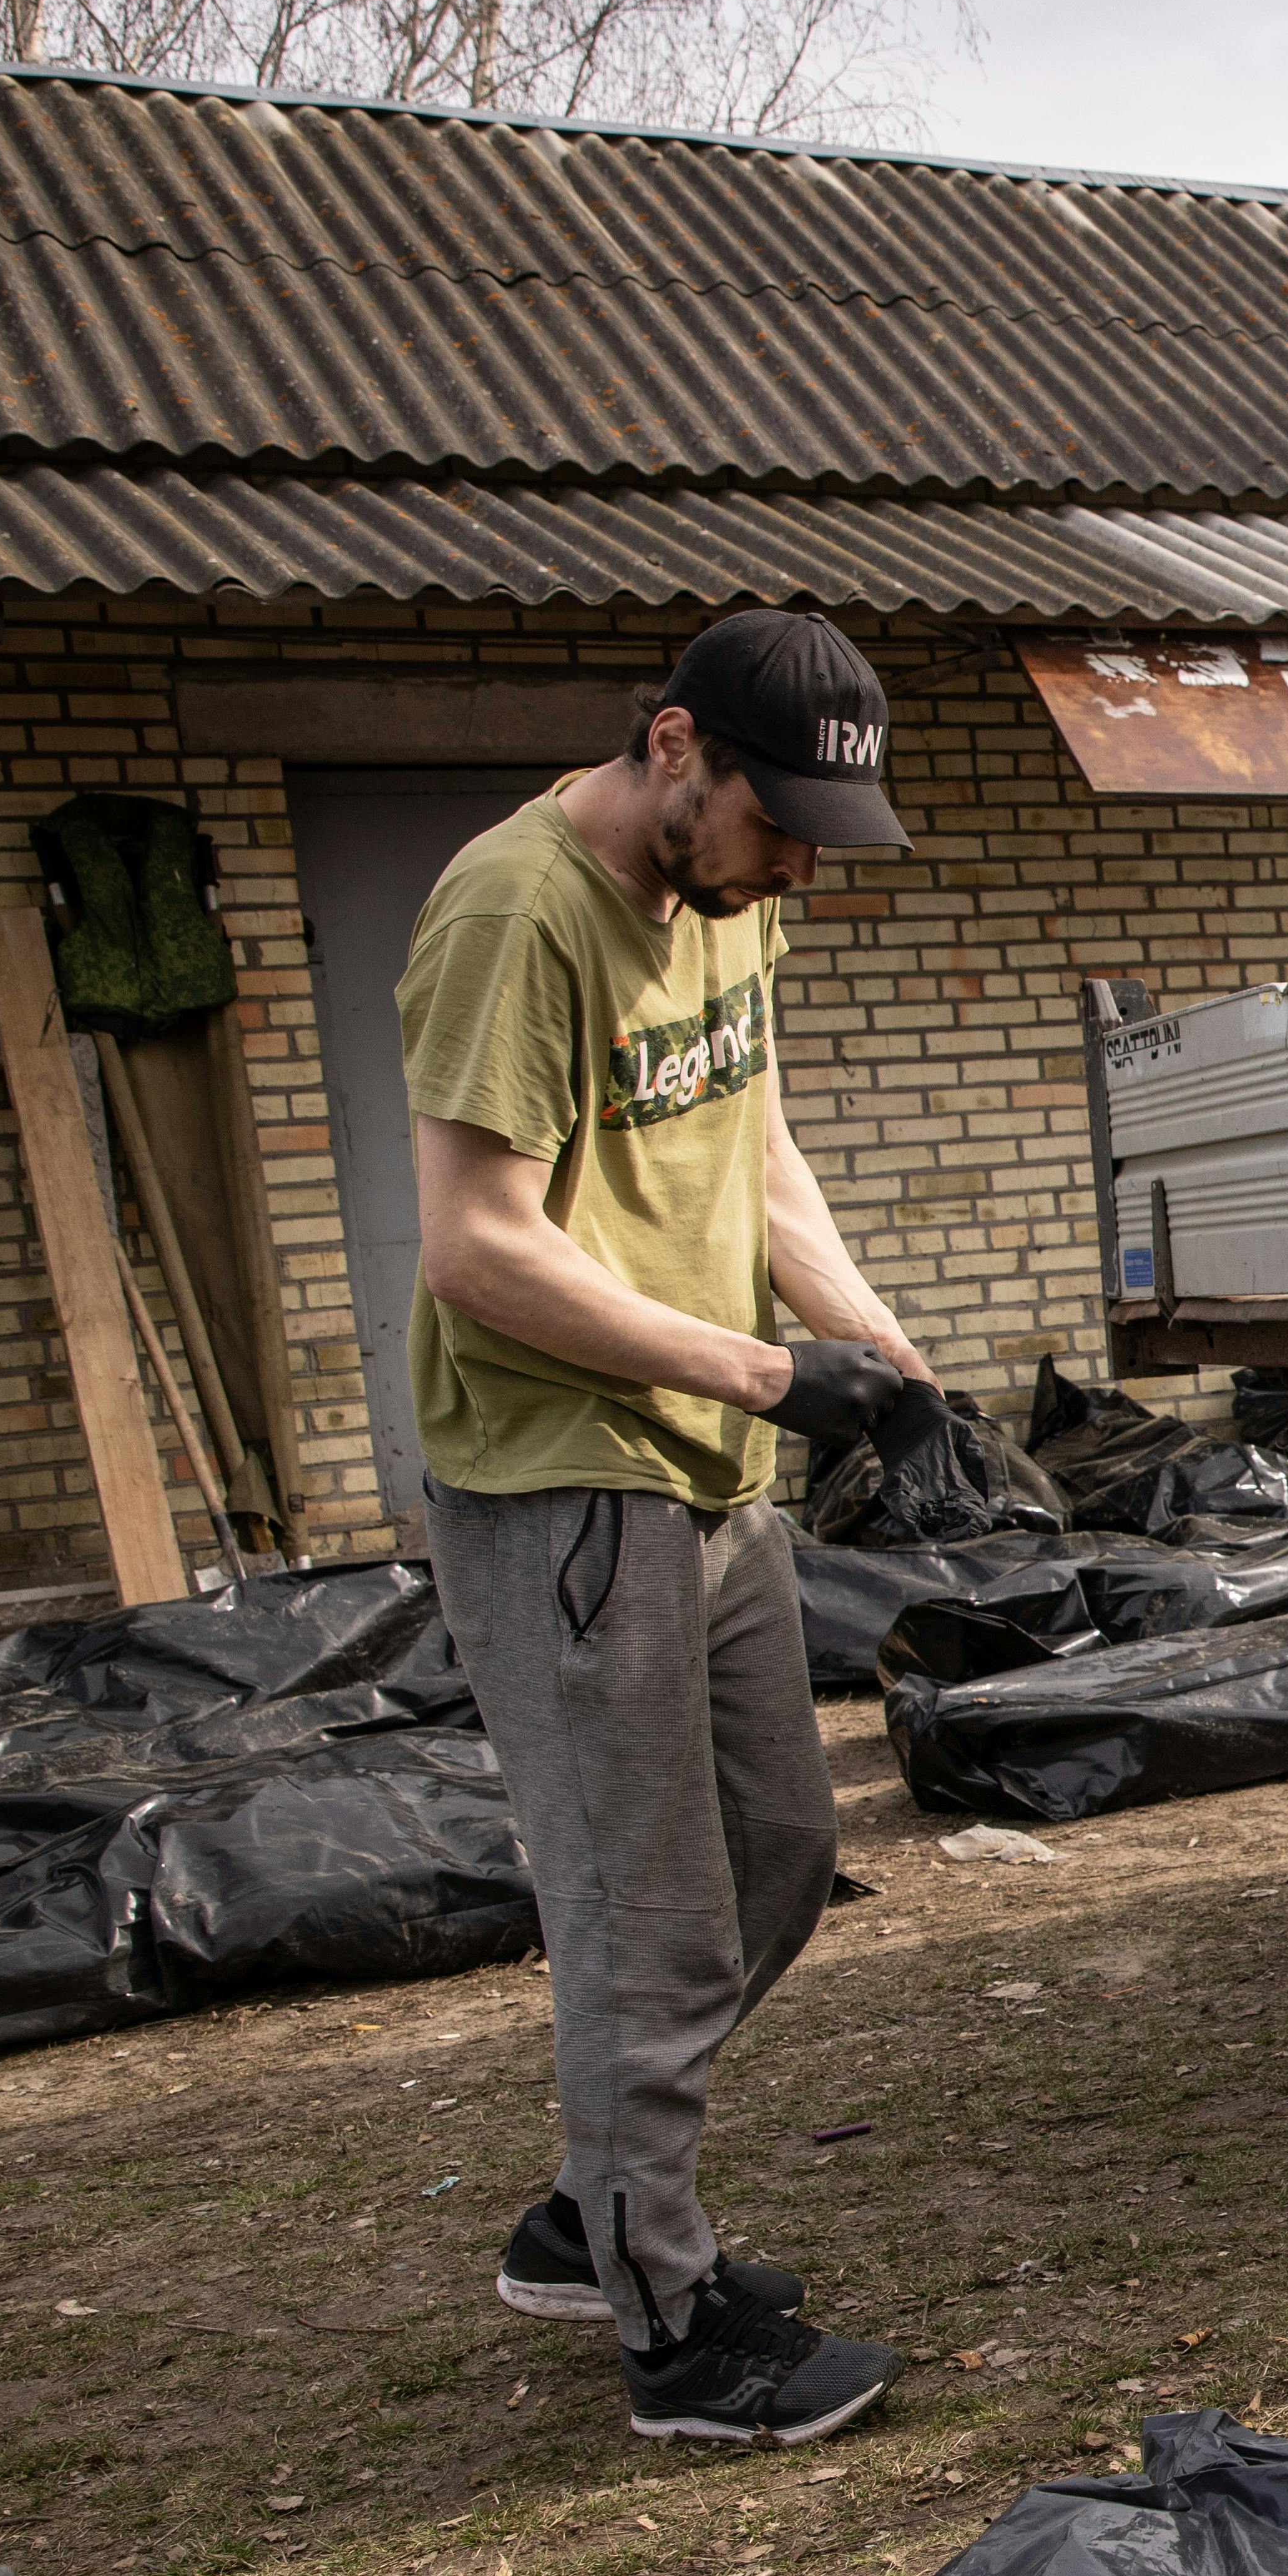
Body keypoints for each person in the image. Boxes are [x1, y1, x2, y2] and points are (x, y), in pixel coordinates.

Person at [402, 607, 934, 2449]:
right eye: (774, 820)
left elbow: (756, 1142)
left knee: (780, 1857)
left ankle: (589, 2207)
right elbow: (476, 1246)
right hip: (562, 1474)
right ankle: (672, 2319)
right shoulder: (516, 910)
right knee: (650, 1919)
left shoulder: (734, 896)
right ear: (674, 748)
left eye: (815, 833)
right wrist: (768, 1372)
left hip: (706, 1462)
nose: (795, 861)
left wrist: (864, 1331)